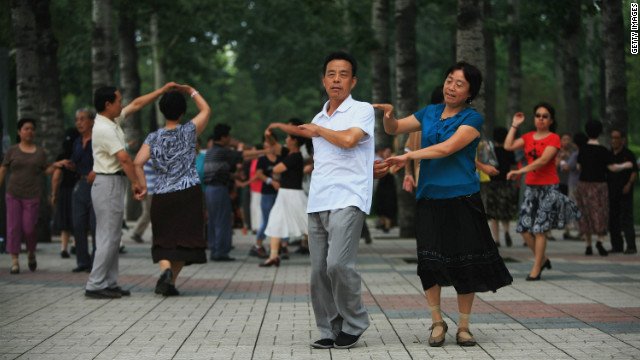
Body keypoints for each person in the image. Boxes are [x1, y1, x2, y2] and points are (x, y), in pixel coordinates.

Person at [377, 61, 513, 348]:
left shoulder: (473, 119)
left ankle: (464, 326)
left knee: (466, 261)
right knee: (429, 262)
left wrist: (408, 157)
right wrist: (389, 115)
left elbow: (447, 148)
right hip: (429, 198)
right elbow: (396, 128)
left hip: (462, 198)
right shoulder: (430, 112)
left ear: (469, 93)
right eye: (449, 80)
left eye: (459, 84)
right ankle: (437, 322)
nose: (451, 87)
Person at [280, 52, 374, 350]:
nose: (336, 79)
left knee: (337, 265)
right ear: (324, 80)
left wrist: (318, 131)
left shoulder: (362, 110)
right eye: (331, 74)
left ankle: (355, 322)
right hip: (318, 200)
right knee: (318, 271)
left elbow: (349, 141)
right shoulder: (319, 118)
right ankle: (329, 329)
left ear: (353, 81)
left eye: (343, 74)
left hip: (350, 197)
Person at [84, 82, 175, 299]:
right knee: (107, 237)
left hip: (111, 183)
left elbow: (136, 105)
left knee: (113, 237)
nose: (122, 104)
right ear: (108, 104)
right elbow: (124, 159)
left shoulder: (110, 120)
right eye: (118, 101)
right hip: (108, 183)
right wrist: (137, 183)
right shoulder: (105, 128)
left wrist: (161, 91)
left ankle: (109, 282)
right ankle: (95, 284)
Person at [133, 86, 209, 296]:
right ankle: (171, 279)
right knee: (186, 241)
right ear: (182, 112)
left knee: (163, 239)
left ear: (162, 111)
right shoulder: (188, 131)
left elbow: (137, 163)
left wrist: (143, 185)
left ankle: (167, 274)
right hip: (188, 193)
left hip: (162, 194)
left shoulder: (153, 138)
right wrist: (191, 91)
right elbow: (206, 110)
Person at [504, 102, 581, 279]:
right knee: (523, 227)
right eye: (538, 115)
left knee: (540, 229)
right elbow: (508, 145)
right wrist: (515, 125)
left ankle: (536, 268)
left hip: (548, 187)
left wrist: (519, 171)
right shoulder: (529, 136)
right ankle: (543, 259)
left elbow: (543, 161)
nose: (540, 119)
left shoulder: (554, 138)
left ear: (551, 120)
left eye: (545, 116)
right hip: (531, 187)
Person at [0, 119, 66, 274]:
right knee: (13, 228)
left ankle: (31, 253)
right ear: (19, 132)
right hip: (13, 194)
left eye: (32, 129)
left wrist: (57, 165)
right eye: (26, 128)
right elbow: (3, 170)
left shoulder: (39, 152)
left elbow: (46, 170)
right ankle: (15, 261)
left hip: (32, 196)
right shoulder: (12, 151)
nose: (29, 131)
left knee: (29, 229)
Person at [203, 124, 266, 261]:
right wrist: (266, 151)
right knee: (222, 221)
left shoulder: (210, 151)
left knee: (213, 221)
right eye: (229, 136)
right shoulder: (222, 151)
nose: (230, 139)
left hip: (209, 190)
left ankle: (215, 249)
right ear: (224, 137)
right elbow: (242, 155)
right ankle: (221, 252)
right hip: (219, 189)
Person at [575, 121, 633, 256]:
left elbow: (578, 167)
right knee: (600, 213)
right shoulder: (603, 150)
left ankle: (588, 245)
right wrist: (626, 165)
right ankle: (600, 242)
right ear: (600, 133)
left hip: (583, 185)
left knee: (585, 214)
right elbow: (612, 167)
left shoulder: (582, 149)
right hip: (599, 185)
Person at [259, 131, 309, 267]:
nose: (286, 139)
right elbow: (273, 145)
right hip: (284, 193)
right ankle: (273, 256)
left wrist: (274, 168)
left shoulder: (296, 157)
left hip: (294, 194)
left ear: (294, 141)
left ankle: (325, 254)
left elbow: (277, 169)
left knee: (307, 225)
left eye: (288, 137)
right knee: (275, 222)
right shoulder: (288, 153)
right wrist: (268, 134)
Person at [65, 108, 97, 273]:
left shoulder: (98, 139)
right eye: (77, 119)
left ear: (92, 121)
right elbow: (75, 161)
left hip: (97, 184)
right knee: (78, 224)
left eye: (82, 119)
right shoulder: (77, 141)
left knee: (94, 224)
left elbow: (106, 158)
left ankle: (96, 262)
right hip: (80, 183)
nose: (79, 122)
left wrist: (96, 170)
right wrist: (70, 165)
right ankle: (82, 261)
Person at [484, 127, 517, 247]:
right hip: (506, 182)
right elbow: (514, 166)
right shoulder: (509, 150)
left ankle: (496, 239)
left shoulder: (491, 151)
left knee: (493, 213)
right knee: (505, 210)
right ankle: (507, 231)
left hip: (493, 183)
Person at [607, 129, 638, 254]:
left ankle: (631, 246)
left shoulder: (628, 154)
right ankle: (616, 245)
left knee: (626, 217)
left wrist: (629, 184)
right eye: (612, 138)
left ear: (622, 140)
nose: (614, 140)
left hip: (625, 190)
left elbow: (634, 170)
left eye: (616, 138)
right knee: (613, 218)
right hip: (611, 190)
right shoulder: (609, 155)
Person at [51, 128, 80, 258]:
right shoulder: (79, 154)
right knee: (77, 219)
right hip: (77, 189)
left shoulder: (61, 158)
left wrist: (53, 193)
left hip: (64, 191)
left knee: (64, 220)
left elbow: (56, 177)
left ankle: (64, 248)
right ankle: (75, 244)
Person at [130, 160, 156, 243]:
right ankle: (137, 232)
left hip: (147, 187)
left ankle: (138, 232)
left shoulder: (144, 157)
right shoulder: (149, 157)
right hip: (150, 188)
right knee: (148, 213)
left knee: (149, 213)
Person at [374, 147, 397, 233]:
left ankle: (387, 226)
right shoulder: (379, 161)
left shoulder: (394, 162)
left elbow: (393, 173)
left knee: (389, 206)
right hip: (381, 187)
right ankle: (382, 223)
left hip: (390, 187)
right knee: (379, 206)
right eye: (386, 152)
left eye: (389, 152)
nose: (387, 154)